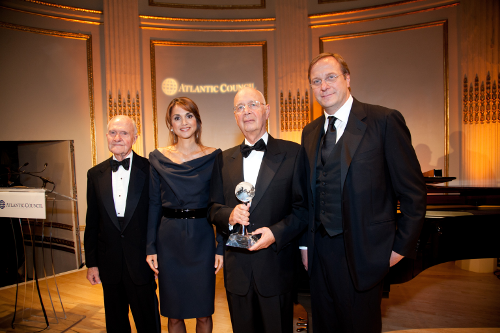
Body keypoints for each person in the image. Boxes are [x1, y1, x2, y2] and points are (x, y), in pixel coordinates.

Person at [300, 52, 427, 332]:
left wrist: (399, 248)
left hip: (364, 252)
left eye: (331, 77)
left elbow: (413, 192)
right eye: (316, 80)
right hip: (319, 254)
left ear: (347, 79)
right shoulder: (309, 133)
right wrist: (305, 245)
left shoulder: (383, 121)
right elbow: (308, 197)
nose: (324, 85)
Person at [208, 87, 308, 333]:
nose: (247, 111)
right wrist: (229, 216)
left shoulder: (293, 153)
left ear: (267, 111)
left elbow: (304, 209)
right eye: (240, 107)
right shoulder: (222, 159)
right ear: (235, 117)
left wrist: (275, 233)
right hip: (237, 272)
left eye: (253, 104)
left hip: (276, 267)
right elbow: (212, 208)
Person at [146, 97, 223, 333]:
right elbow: (154, 204)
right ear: (170, 124)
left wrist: (220, 247)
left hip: (202, 239)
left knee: (203, 313)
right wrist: (150, 247)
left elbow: (219, 205)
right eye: (177, 117)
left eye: (189, 116)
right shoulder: (157, 157)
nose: (184, 122)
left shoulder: (214, 156)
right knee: (174, 314)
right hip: (169, 241)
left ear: (198, 122)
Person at [84, 115, 160, 333]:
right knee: (116, 324)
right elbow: (92, 222)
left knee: (148, 323)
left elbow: (157, 218)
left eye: (124, 133)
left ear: (135, 138)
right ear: (106, 136)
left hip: (142, 263)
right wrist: (92, 263)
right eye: (113, 133)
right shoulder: (94, 174)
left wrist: (157, 257)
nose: (117, 138)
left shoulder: (151, 170)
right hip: (109, 265)